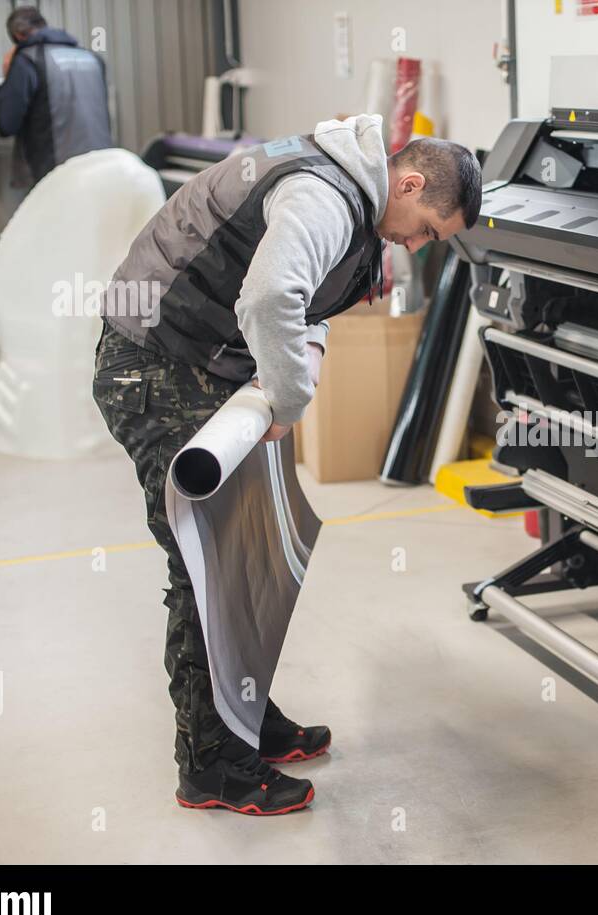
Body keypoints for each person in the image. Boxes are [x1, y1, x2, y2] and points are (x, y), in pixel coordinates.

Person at [93, 115, 481, 814]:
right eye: (425, 227)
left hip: (201, 364)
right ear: (411, 182)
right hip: (152, 363)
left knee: (252, 547)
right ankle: (211, 763)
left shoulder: (359, 196)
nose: (417, 245)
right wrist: (289, 401)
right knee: (207, 560)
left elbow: (309, 300)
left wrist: (295, 364)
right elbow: (271, 296)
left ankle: (243, 713)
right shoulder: (324, 196)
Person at [0, 6, 113, 184]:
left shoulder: (27, 60)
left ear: (18, 36)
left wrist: (9, 72)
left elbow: (6, 124)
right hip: (101, 170)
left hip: (56, 177)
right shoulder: (92, 58)